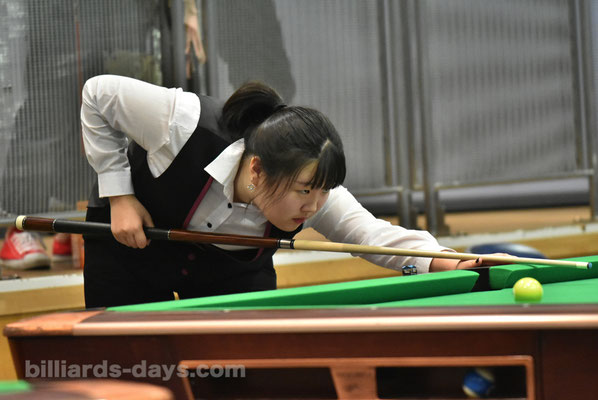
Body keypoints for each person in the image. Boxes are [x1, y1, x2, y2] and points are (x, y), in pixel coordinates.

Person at [80, 75, 495, 308]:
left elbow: (372, 235)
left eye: (324, 190)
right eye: (304, 190)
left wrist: (448, 263)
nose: (313, 205)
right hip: (128, 248)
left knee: (239, 379)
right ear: (257, 169)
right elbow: (97, 95)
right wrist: (120, 196)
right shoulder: (184, 123)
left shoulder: (316, 198)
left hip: (230, 277)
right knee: (123, 370)